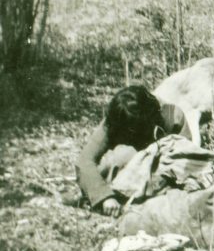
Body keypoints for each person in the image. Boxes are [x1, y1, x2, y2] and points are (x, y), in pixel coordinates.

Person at [76, 85, 191, 217]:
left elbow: (187, 161)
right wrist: (104, 196)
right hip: (119, 180)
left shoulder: (173, 117)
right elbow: (84, 160)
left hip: (160, 180)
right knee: (123, 154)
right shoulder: (120, 115)